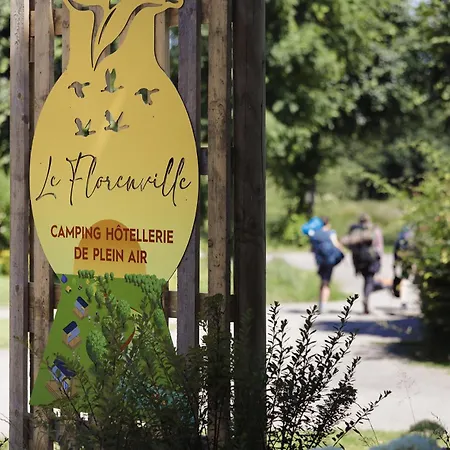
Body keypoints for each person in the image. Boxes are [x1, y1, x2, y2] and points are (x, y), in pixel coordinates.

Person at [341, 213, 384, 314]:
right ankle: (367, 297)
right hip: (372, 259)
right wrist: (380, 259)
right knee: (369, 280)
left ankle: (367, 296)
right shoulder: (374, 229)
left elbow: (351, 246)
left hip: (360, 260)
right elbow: (379, 246)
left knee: (367, 280)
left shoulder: (355, 230)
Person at [308, 217, 345, 314]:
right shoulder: (331, 233)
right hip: (329, 261)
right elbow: (336, 244)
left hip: (320, 261)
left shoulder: (315, 234)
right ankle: (323, 306)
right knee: (326, 283)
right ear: (328, 223)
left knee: (322, 281)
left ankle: (320, 303)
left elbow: (311, 249)